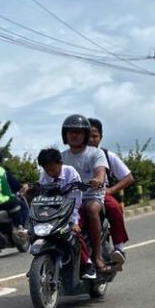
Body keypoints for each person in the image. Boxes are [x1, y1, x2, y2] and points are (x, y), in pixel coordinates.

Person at [59, 113, 111, 273]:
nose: (74, 135)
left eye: (78, 132)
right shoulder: (61, 157)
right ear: (65, 135)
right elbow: (49, 175)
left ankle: (97, 256)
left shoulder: (95, 153)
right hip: (69, 200)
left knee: (91, 209)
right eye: (70, 132)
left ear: (85, 135)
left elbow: (100, 171)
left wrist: (98, 179)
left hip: (91, 196)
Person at [87, 118, 133, 264]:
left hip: (98, 194)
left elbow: (128, 177)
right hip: (76, 195)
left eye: (95, 136)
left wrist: (111, 190)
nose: (91, 139)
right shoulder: (72, 155)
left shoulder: (107, 155)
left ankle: (119, 248)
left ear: (101, 137)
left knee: (114, 208)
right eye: (88, 135)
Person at [31, 147, 82, 229]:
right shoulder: (43, 176)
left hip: (70, 211)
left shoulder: (70, 172)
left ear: (60, 163)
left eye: (53, 169)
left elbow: (75, 202)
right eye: (47, 171)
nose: (50, 173)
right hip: (52, 213)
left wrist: (73, 222)